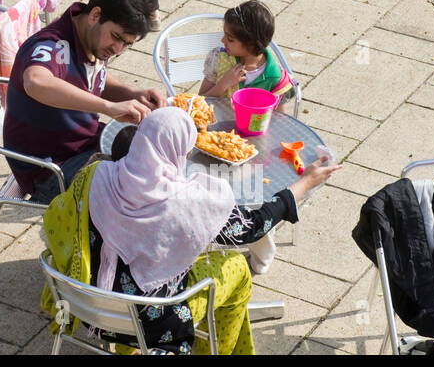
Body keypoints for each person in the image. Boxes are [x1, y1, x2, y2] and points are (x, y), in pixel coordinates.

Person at [42, 106, 339, 354]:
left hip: (91, 304)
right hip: (154, 321)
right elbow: (253, 228)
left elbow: (61, 217)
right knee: (237, 268)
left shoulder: (95, 175)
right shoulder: (189, 203)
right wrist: (305, 182)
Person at [2, 0, 165, 205]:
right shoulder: (52, 46)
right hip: (49, 171)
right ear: (95, 15)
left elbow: (90, 76)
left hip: (83, 144)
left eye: (126, 44)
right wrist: (108, 107)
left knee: (159, 155)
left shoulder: (91, 37)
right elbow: (36, 81)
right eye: (116, 37)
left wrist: (132, 93)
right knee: (141, 195)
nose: (118, 49)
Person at [198, 0, 295, 101]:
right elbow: (199, 101)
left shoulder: (275, 77)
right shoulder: (219, 58)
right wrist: (224, 83)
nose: (222, 40)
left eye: (230, 39)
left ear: (251, 44)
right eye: (224, 35)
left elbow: (280, 116)